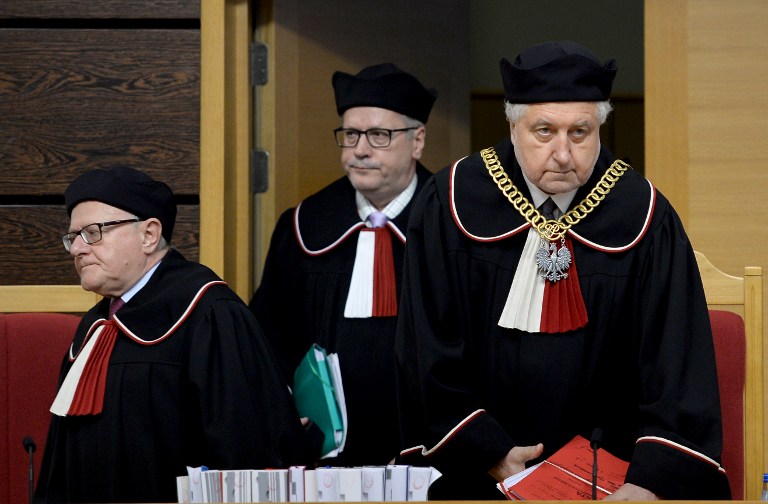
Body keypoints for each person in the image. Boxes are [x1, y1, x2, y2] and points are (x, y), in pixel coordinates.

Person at [395, 41, 731, 500]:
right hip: (479, 473)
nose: (562, 153)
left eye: (580, 133)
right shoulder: (449, 202)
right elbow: (426, 343)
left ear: (601, 129)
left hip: (611, 480)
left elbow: (676, 359)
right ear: (512, 127)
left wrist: (648, 481)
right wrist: (485, 449)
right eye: (544, 131)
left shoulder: (645, 215)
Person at [36, 166, 309, 503]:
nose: (78, 248)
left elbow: (245, 454)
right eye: (73, 236)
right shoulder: (94, 328)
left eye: (93, 232)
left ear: (149, 234)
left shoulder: (209, 314)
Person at [249, 63, 437, 467]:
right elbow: (269, 338)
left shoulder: (452, 224)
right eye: (350, 134)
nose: (360, 150)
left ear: (417, 140)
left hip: (433, 449)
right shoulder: (303, 225)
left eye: (379, 135)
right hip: (325, 456)